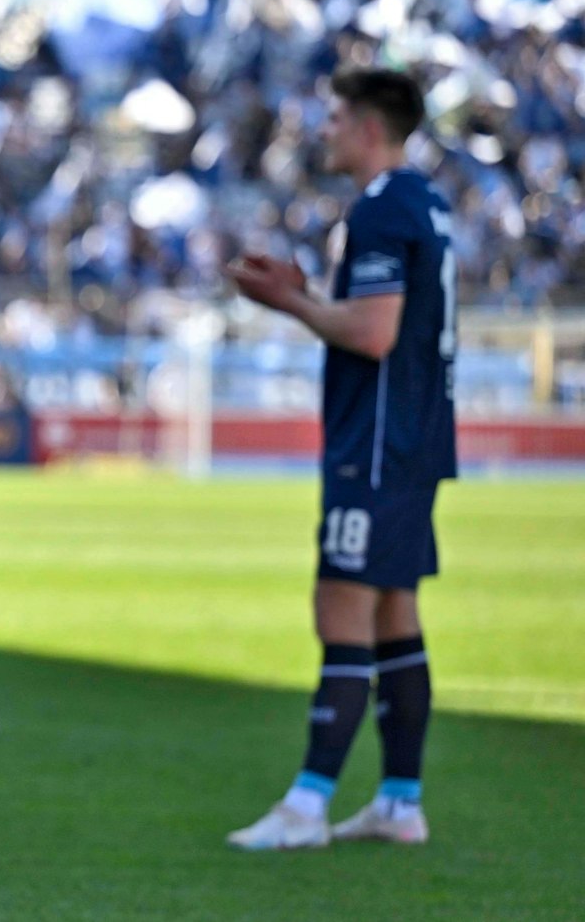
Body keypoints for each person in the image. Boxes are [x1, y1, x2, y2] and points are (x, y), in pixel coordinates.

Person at [225, 67, 455, 851]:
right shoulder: (427, 201)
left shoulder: (383, 206)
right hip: (414, 437)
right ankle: (398, 799)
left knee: (342, 610)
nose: (323, 132)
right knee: (395, 612)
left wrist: (289, 303)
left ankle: (306, 805)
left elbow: (373, 333)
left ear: (366, 127)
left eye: (333, 120)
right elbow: (373, 318)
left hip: (379, 442)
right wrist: (311, 293)